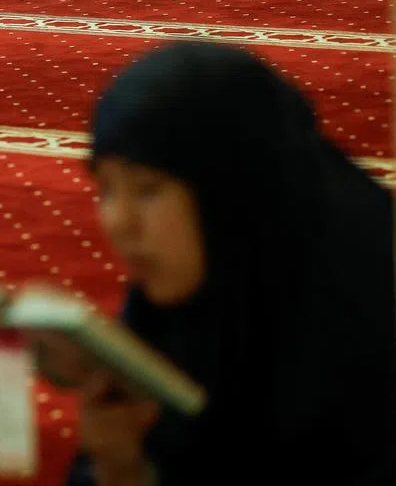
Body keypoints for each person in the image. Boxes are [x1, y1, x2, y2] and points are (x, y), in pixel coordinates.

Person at [60, 41, 395, 486]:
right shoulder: (198, 284)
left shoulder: (369, 320)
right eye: (105, 190)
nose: (118, 222)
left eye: (147, 189)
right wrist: (119, 466)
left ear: (232, 193)